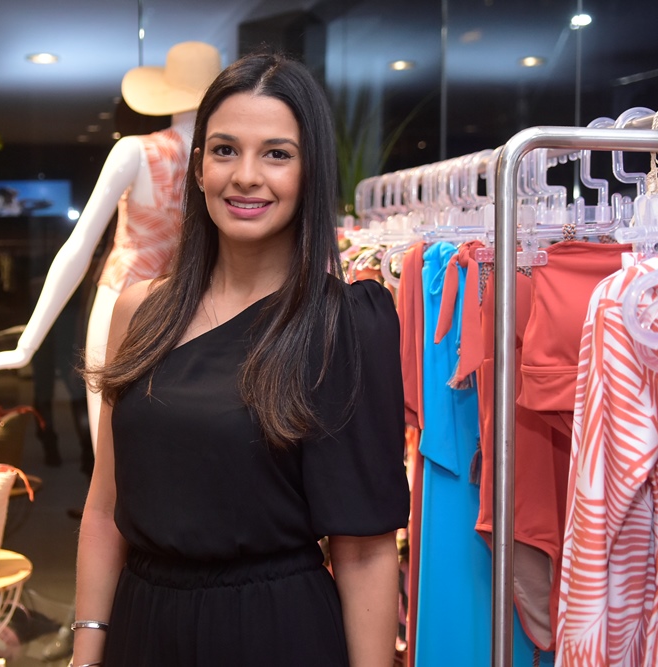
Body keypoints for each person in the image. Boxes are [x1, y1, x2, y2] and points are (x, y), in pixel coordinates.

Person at [71, 51, 410, 667]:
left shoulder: (343, 324)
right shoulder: (140, 310)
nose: (246, 176)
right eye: (225, 150)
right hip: (143, 628)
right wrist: (86, 649)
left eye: (276, 154)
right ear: (199, 167)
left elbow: (364, 550)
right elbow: (103, 507)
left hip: (275, 633)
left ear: (310, 172)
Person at [0, 42, 223, 456]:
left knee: (109, 446)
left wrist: (27, 345)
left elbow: (79, 246)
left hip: (126, 298)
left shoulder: (135, 151)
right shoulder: (223, 161)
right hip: (198, 301)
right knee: (179, 446)